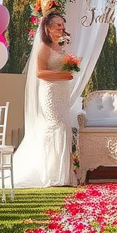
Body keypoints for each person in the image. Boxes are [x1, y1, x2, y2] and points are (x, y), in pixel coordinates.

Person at [13, 11, 74, 188]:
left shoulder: (60, 47)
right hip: (50, 93)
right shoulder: (44, 48)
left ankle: (63, 174)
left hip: (62, 92)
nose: (61, 28)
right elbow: (40, 73)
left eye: (62, 24)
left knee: (63, 125)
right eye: (57, 24)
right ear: (47, 28)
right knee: (55, 127)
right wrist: (62, 75)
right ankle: (51, 174)